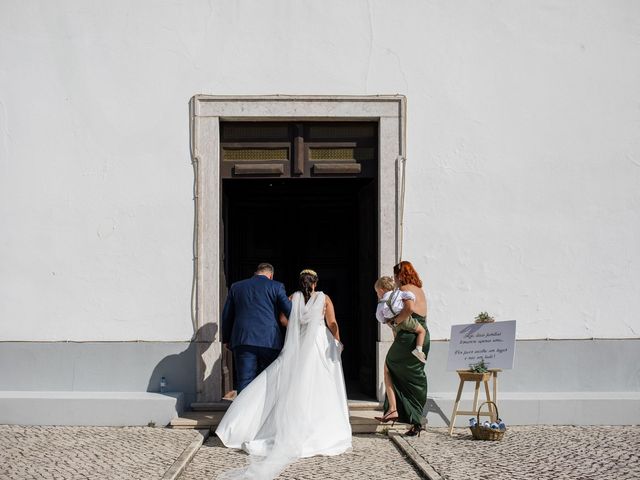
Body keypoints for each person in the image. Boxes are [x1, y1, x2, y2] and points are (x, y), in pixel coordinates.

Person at [215, 269, 352, 480]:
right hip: (318, 342)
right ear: (315, 282)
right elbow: (332, 323)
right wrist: (336, 340)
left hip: (299, 343)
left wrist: (300, 326)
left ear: (300, 282)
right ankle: (316, 426)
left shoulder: (293, 297)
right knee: (320, 383)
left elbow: (284, 320)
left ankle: (247, 422)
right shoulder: (324, 298)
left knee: (291, 383)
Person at [375, 261, 429, 437]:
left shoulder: (405, 288)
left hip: (408, 335)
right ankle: (416, 420)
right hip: (422, 334)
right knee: (413, 377)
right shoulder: (419, 289)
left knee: (388, 368)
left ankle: (393, 409)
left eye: (395, 276)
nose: (395, 280)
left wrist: (395, 321)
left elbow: (409, 308)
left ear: (399, 275)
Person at [221, 262, 292, 393]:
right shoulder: (276, 286)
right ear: (271, 276)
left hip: (243, 339)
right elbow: (289, 311)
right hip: (269, 340)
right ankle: (265, 412)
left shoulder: (236, 287)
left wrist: (226, 338)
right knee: (270, 379)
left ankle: (243, 413)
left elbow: (227, 316)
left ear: (256, 273)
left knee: (245, 380)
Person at [374, 276, 427, 364]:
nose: (377, 295)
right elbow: (410, 295)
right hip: (404, 320)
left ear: (381, 290)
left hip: (392, 323)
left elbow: (379, 316)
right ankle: (418, 350)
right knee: (422, 331)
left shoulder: (381, 304)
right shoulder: (398, 293)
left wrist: (384, 321)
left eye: (377, 292)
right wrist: (412, 299)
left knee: (397, 338)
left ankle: (398, 350)